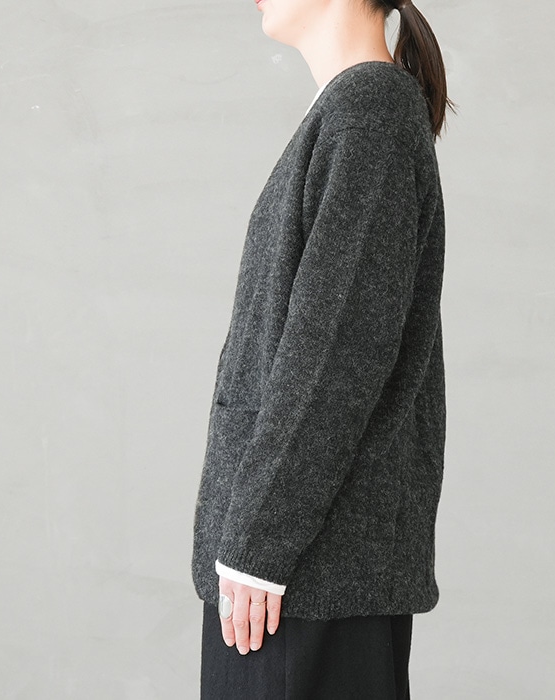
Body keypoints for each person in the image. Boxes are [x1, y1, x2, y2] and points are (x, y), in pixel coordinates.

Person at [192, 0, 454, 697]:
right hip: (299, 574)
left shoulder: (369, 115)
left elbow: (336, 354)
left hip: (303, 577)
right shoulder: (356, 112)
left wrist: (258, 543)